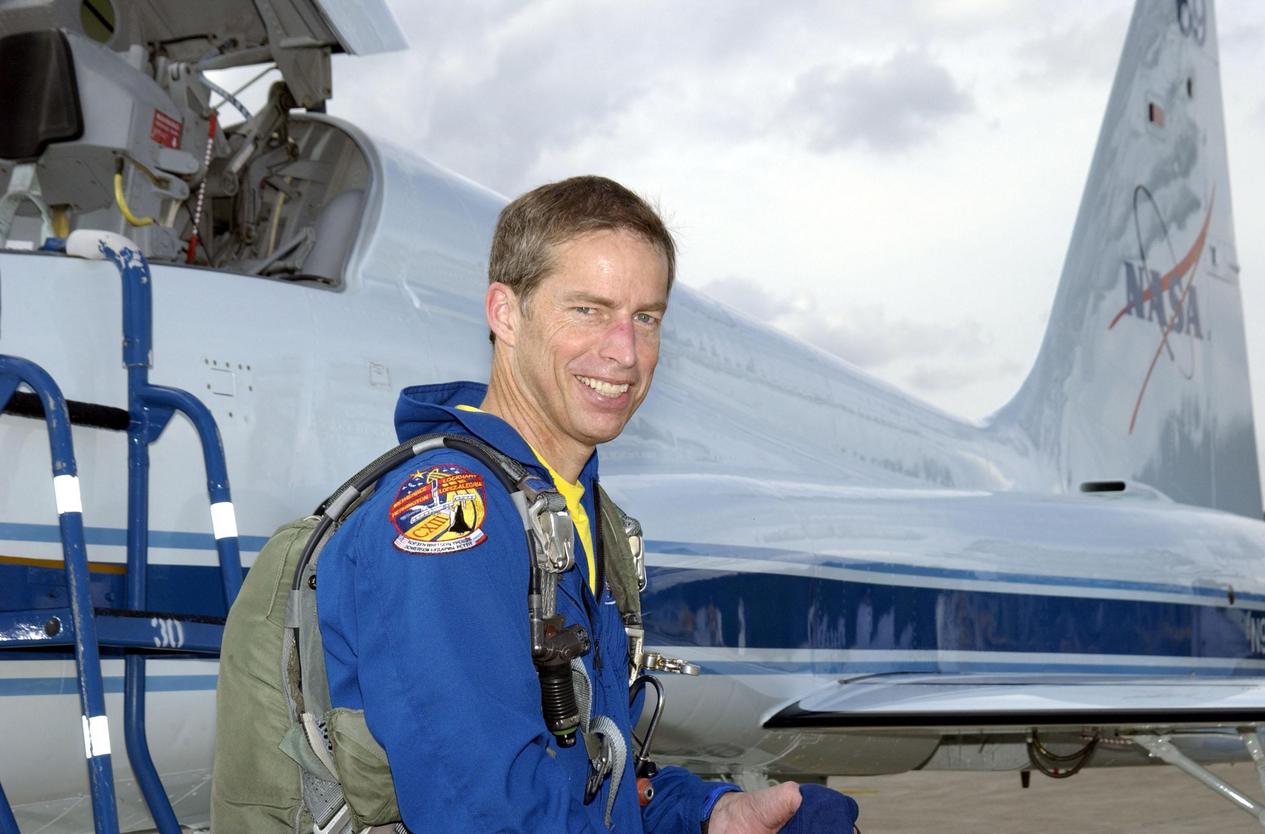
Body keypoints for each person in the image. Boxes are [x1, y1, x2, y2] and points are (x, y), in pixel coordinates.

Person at [215, 175, 859, 833]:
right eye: (587, 310)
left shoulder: (571, 511)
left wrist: (706, 813)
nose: (625, 352)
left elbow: (584, 774)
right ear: (505, 314)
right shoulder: (450, 515)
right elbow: (486, 813)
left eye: (646, 317)